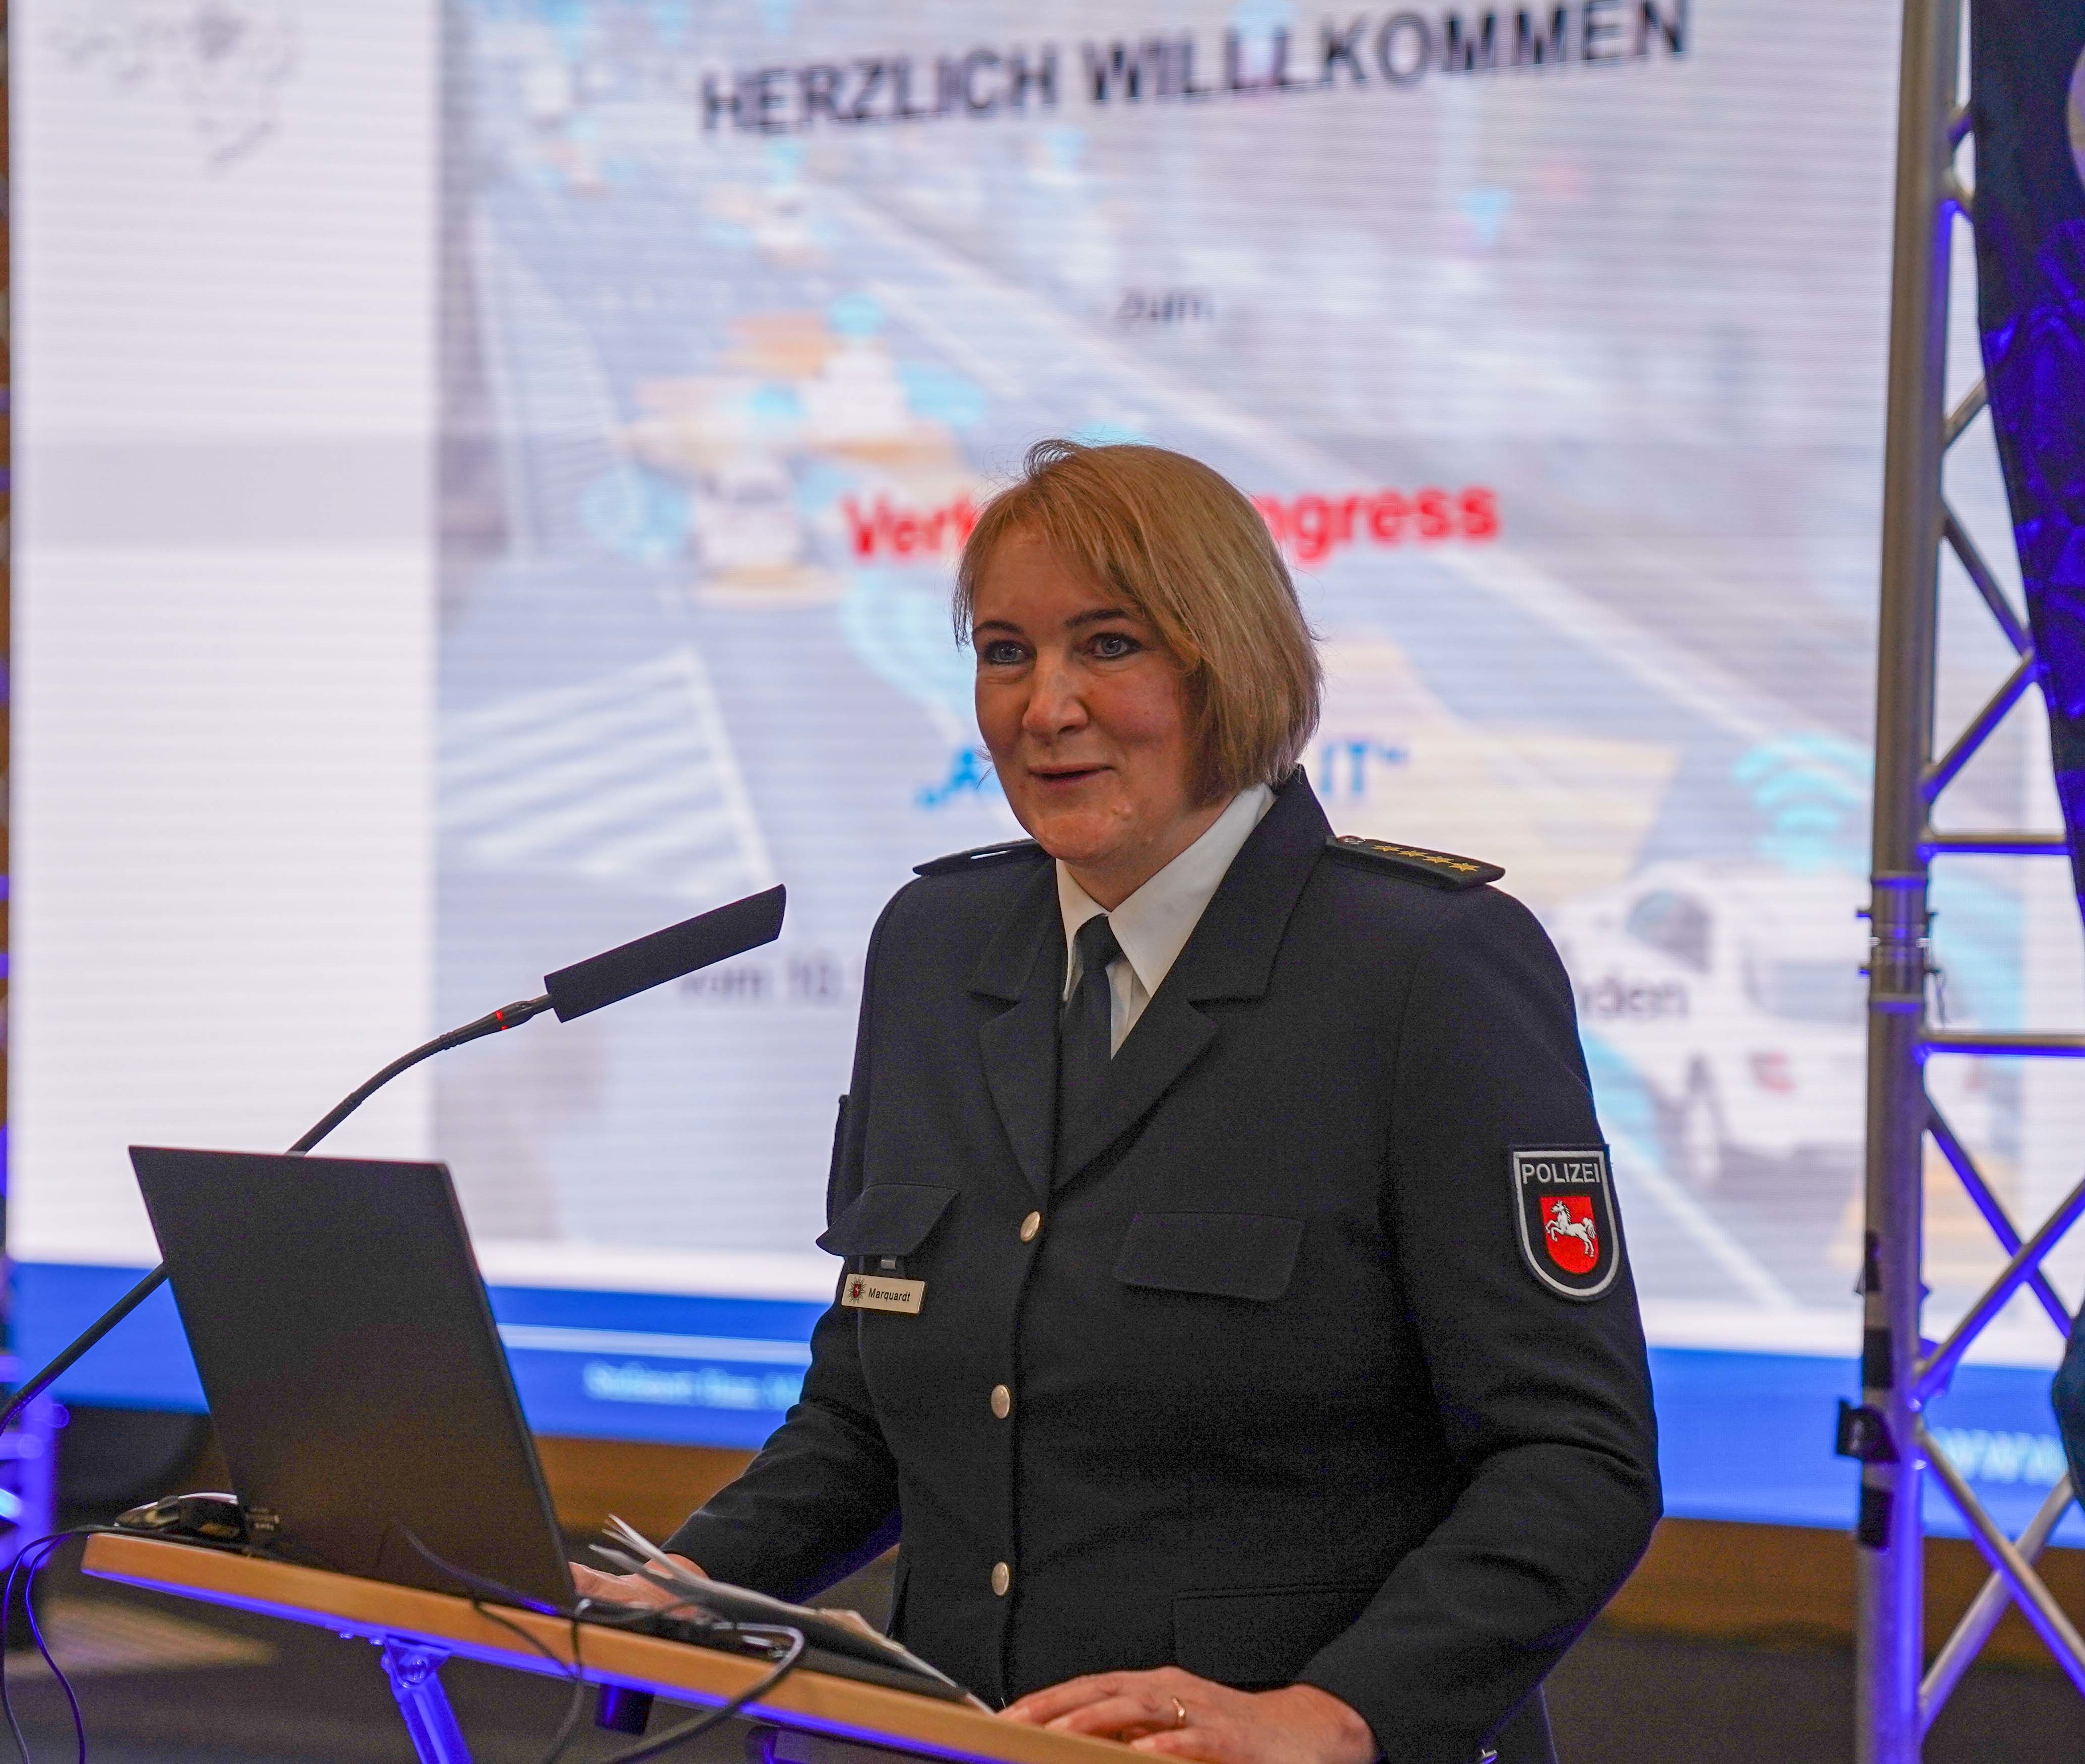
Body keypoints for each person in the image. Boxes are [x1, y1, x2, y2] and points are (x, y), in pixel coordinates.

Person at [575, 440, 1660, 1764]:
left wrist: (1329, 1719)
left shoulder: (1424, 965)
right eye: (1005, 653)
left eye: (1108, 646)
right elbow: (868, 1410)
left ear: (1233, 662)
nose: (1046, 708)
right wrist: (679, 1589)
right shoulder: (936, 946)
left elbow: (1575, 1460)